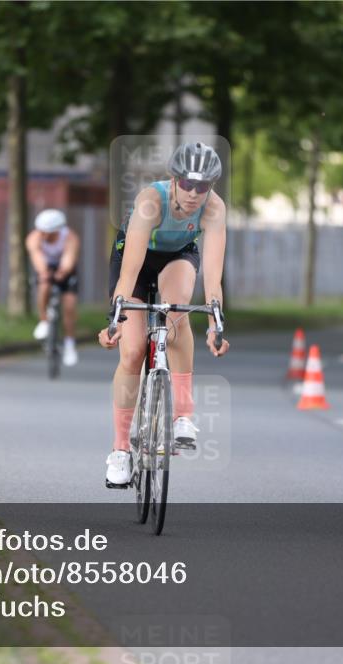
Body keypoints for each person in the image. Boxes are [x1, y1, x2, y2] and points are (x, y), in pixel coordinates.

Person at [97, 142, 230, 487]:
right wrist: (116, 319)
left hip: (178, 256)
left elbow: (213, 278)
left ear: (211, 188)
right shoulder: (150, 201)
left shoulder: (214, 209)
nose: (193, 193)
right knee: (133, 352)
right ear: (174, 179)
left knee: (176, 312)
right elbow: (129, 274)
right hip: (136, 259)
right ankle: (120, 450)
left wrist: (216, 323)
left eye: (202, 187)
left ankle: (184, 415)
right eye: (187, 183)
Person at [26, 209, 80, 367]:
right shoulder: (33, 238)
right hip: (46, 267)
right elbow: (37, 258)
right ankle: (44, 320)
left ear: (57, 230)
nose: (45, 236)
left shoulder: (70, 237)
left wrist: (62, 272)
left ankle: (70, 344)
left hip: (66, 269)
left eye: (49, 233)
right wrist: (44, 273)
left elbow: (69, 258)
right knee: (44, 286)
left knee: (69, 305)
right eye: (42, 232)